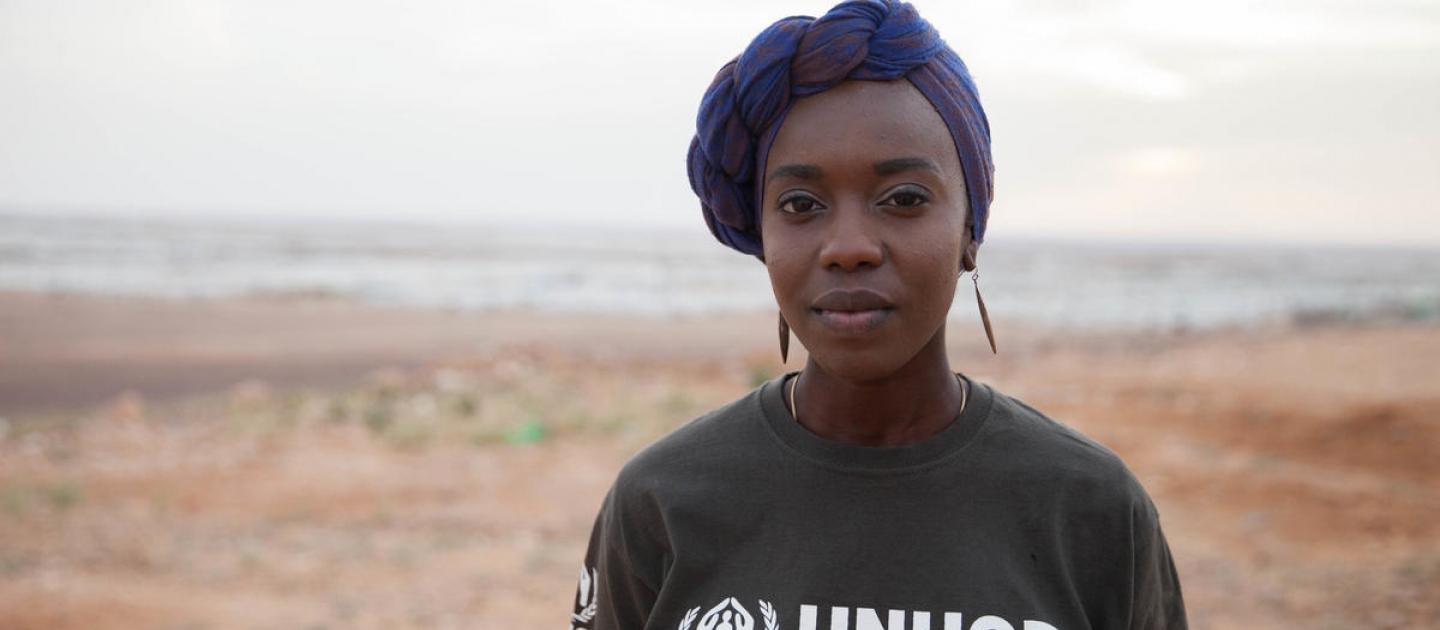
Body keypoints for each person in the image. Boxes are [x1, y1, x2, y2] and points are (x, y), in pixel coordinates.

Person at [570, 2, 1186, 629]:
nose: (848, 247)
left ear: (970, 230)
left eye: (905, 199)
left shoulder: (1092, 510)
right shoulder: (663, 504)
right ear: (762, 235)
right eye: (801, 203)